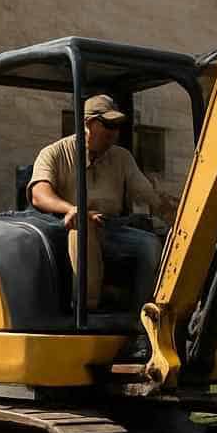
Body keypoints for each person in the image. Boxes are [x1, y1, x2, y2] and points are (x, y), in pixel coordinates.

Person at [27, 94, 178, 312]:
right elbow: (39, 194)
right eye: (108, 125)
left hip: (111, 228)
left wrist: (174, 210)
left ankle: (142, 321)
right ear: (87, 124)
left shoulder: (121, 158)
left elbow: (148, 194)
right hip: (70, 228)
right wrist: (73, 209)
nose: (114, 133)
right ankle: (85, 311)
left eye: (117, 126)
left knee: (150, 245)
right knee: (82, 230)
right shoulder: (55, 153)